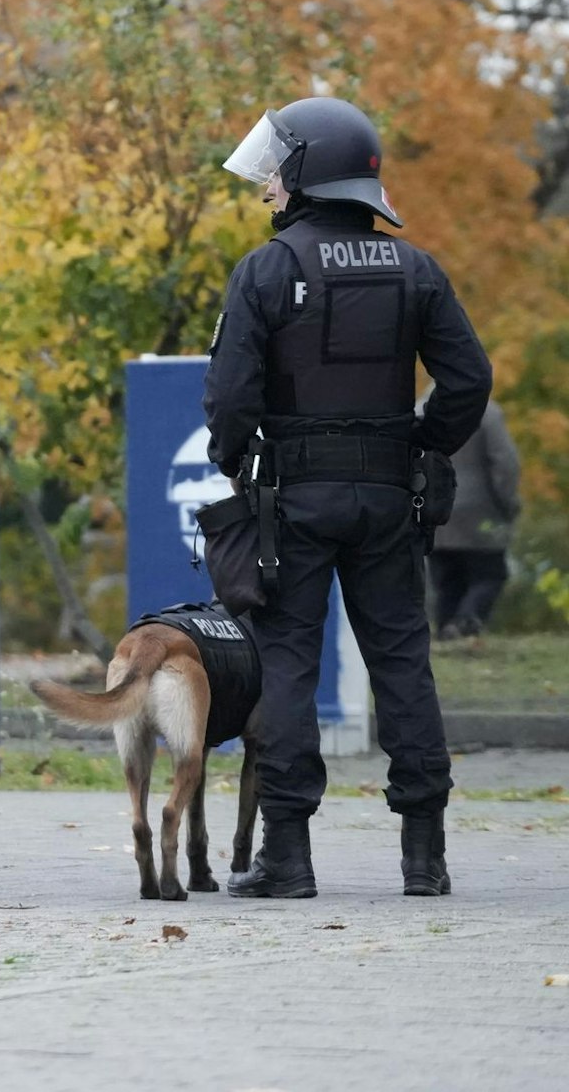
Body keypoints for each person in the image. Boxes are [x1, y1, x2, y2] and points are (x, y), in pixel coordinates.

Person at [204, 96, 491, 899]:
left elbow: (231, 396)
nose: (267, 184)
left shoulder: (267, 269)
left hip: (294, 497)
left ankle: (288, 857)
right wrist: (423, 442)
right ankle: (425, 858)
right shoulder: (416, 270)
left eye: (275, 169)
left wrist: (236, 461)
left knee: (288, 659)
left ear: (307, 172)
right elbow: (470, 379)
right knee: (401, 658)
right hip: (389, 495)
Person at [426, 397, 520, 640]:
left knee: (446, 582)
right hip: (480, 511)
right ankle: (465, 624)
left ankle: (446, 632)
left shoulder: (420, 408)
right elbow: (505, 463)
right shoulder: (485, 411)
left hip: (433, 511)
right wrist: (508, 503)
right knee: (490, 574)